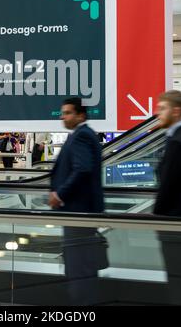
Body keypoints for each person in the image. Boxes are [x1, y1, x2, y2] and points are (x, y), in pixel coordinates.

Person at [49, 98, 104, 305]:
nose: (63, 117)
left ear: (81, 115)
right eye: (62, 113)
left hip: (78, 212)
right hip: (80, 211)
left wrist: (59, 194)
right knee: (81, 265)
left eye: (68, 113)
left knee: (78, 266)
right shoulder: (83, 135)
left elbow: (82, 168)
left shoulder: (81, 136)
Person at [153, 90, 181, 305]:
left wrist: (155, 216)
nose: (157, 113)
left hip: (174, 221)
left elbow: (168, 186)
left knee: (179, 277)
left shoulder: (178, 142)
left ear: (176, 112)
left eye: (162, 108)